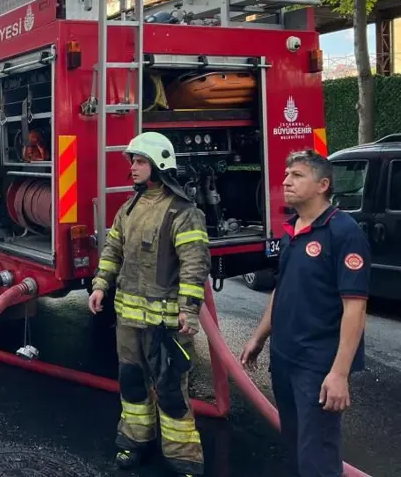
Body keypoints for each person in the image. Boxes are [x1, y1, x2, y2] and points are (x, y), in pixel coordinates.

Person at [240, 150, 369, 477]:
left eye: (297, 175)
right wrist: (258, 337)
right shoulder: (292, 230)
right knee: (295, 447)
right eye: (286, 174)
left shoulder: (344, 232)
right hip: (285, 358)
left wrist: (339, 373)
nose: (285, 181)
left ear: (323, 185)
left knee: (318, 456)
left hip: (318, 364)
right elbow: (281, 289)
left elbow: (355, 307)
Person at [88, 132, 210, 477]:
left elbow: (194, 265)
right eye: (133, 162)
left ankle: (183, 460)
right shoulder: (129, 207)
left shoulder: (183, 212)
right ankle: (133, 442)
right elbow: (112, 250)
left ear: (158, 164)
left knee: (171, 390)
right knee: (132, 382)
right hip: (128, 322)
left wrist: (189, 310)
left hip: (166, 325)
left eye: (140, 162)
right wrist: (100, 286)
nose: (133, 168)